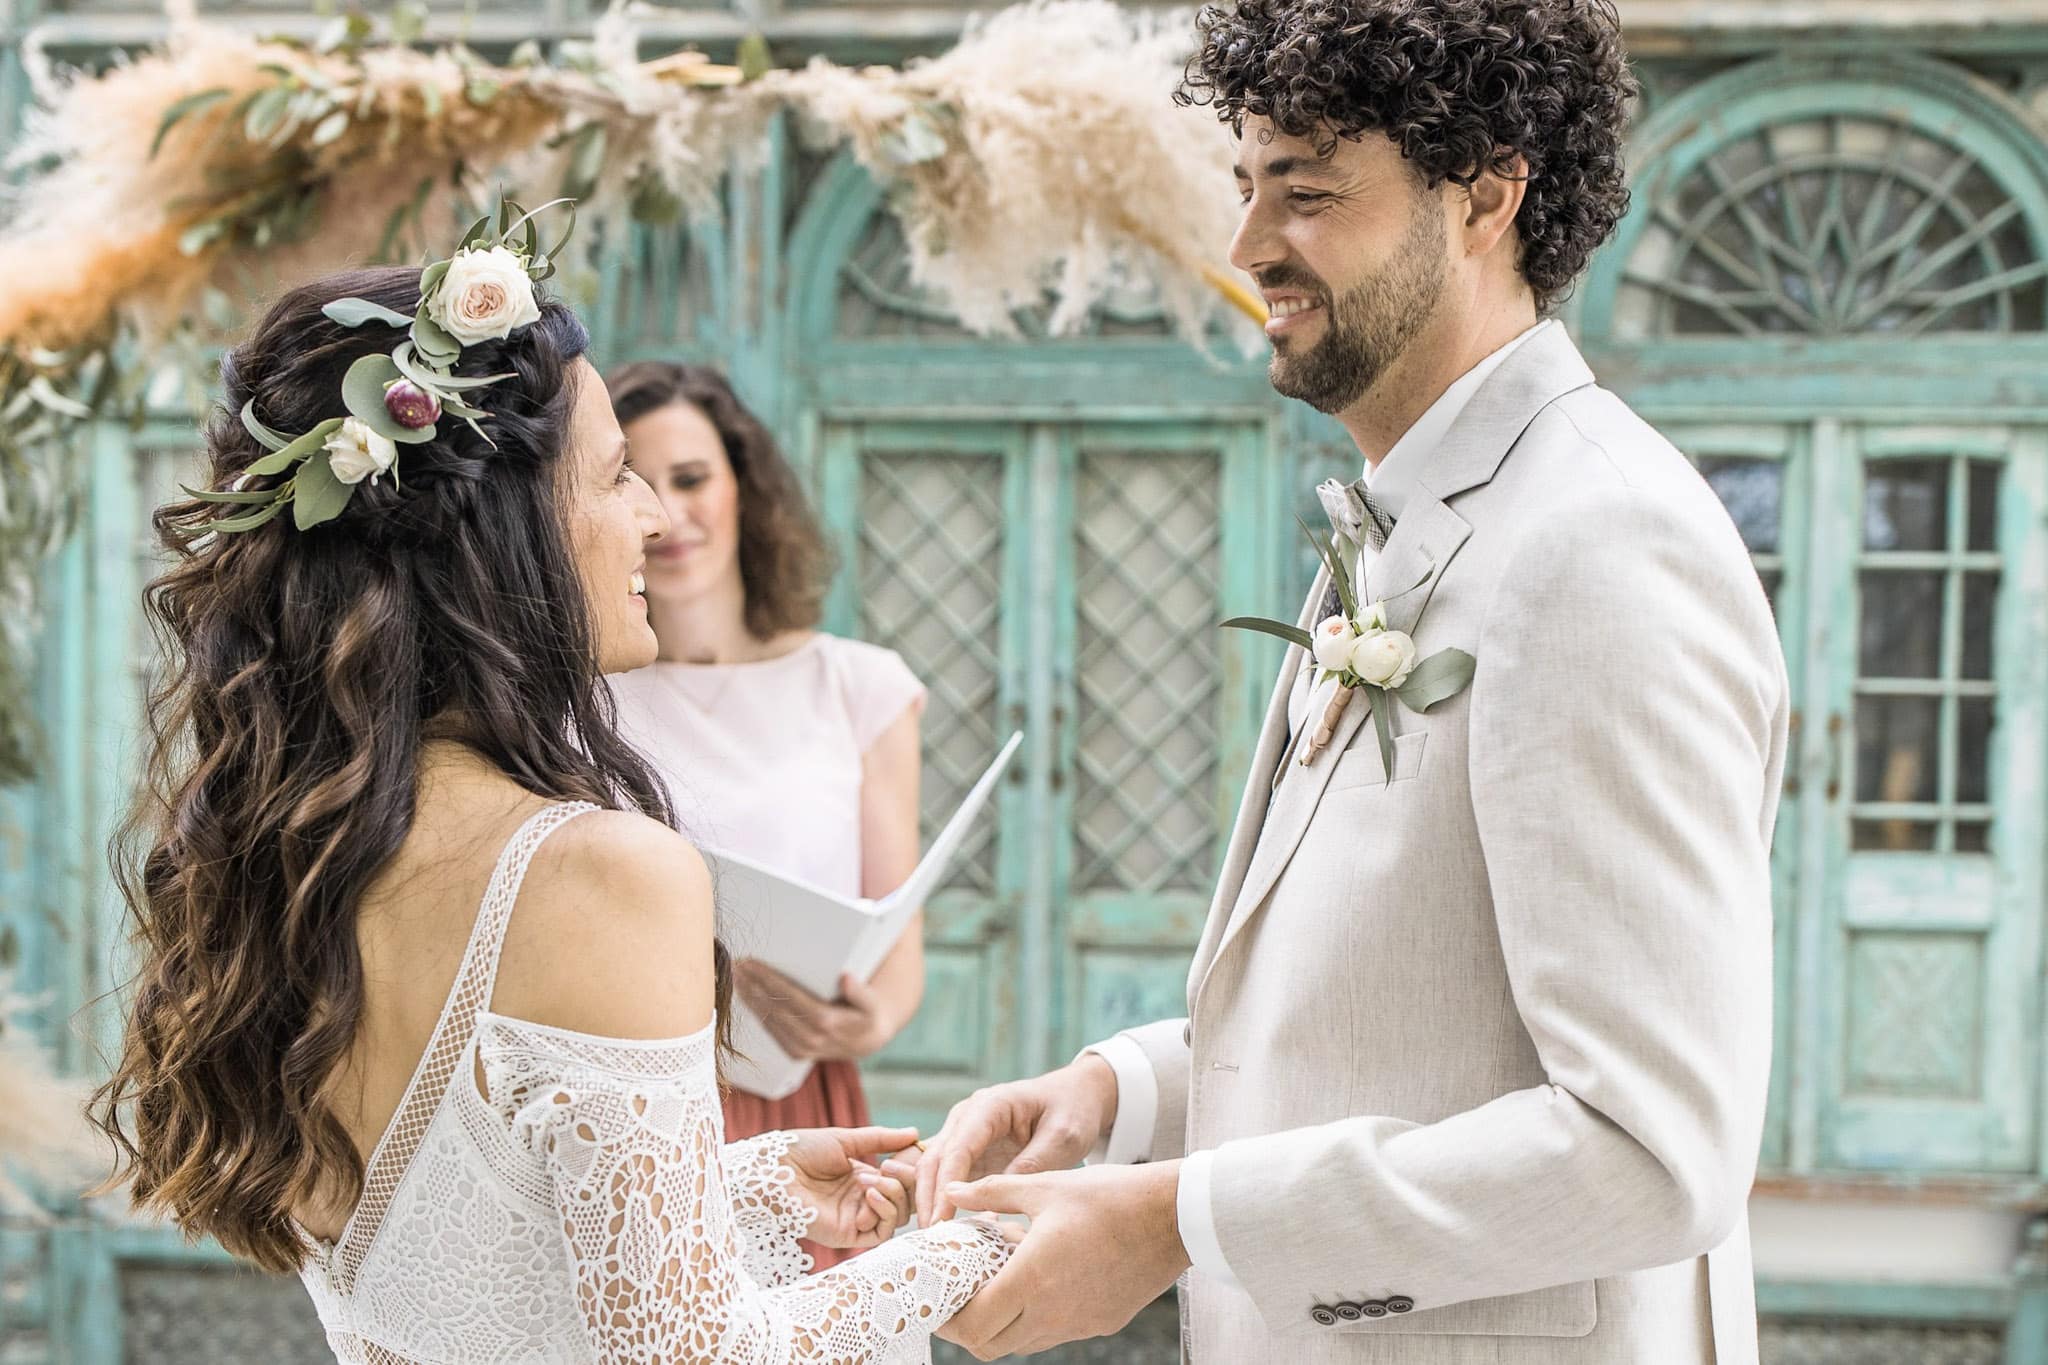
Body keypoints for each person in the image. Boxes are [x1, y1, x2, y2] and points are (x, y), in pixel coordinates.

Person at [911, 2, 1788, 1363]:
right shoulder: (1409, 518)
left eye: (1307, 192)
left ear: (1489, 193)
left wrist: (1171, 1221)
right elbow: (1405, 1012)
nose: (1250, 245)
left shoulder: (1598, 545)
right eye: (1247, 186)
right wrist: (1118, 1098)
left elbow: (1650, 1149)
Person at [87, 213, 1010, 1364]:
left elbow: (467, 1247)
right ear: (499, 529)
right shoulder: (597, 872)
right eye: (618, 476)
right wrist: (981, 1245)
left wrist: (754, 1185)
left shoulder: (308, 853)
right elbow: (694, 1359)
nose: (656, 520)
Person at [601, 362, 929, 1270]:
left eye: (693, 477)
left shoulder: (859, 685)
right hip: (633, 1113)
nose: (668, 511)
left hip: (802, 1101)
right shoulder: (573, 702)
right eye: (634, 482)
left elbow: (896, 930)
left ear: (744, 485)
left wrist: (863, 1023)